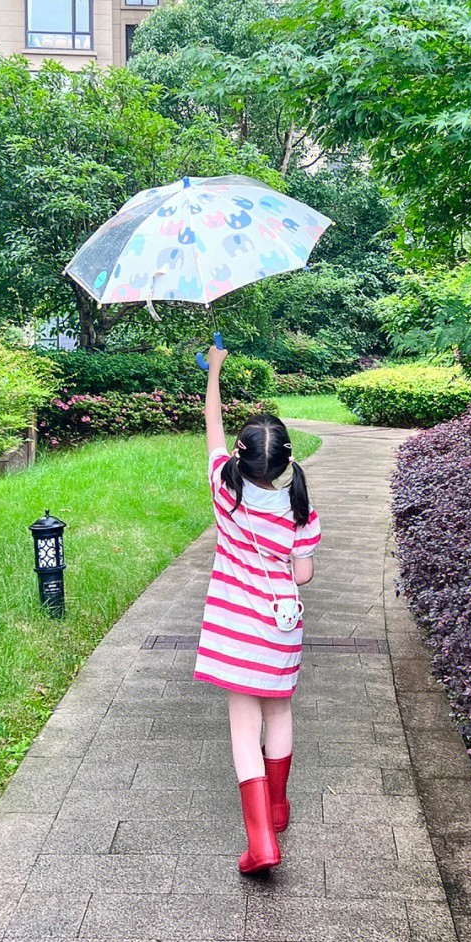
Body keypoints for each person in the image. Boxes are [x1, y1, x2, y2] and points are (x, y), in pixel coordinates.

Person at [193, 342, 321, 874]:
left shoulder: (226, 490)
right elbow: (304, 573)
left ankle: (262, 841)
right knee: (280, 711)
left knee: (243, 728)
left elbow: (212, 424)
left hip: (233, 631)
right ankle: (279, 806)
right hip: (280, 628)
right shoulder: (300, 508)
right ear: (288, 459)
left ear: (240, 459)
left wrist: (214, 372)